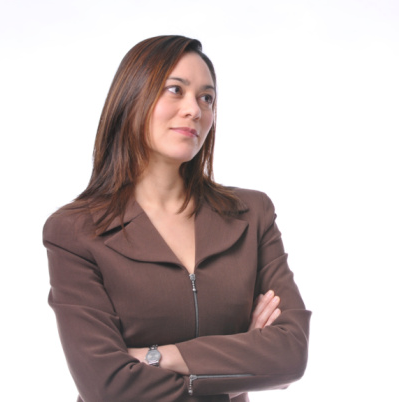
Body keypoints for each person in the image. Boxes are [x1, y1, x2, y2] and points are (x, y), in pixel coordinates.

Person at [43, 35, 311, 402]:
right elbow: (107, 386)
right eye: (175, 90)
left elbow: (290, 356)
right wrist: (240, 369)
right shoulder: (76, 231)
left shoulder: (252, 215)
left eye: (207, 98)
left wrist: (158, 357)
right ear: (132, 96)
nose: (194, 110)